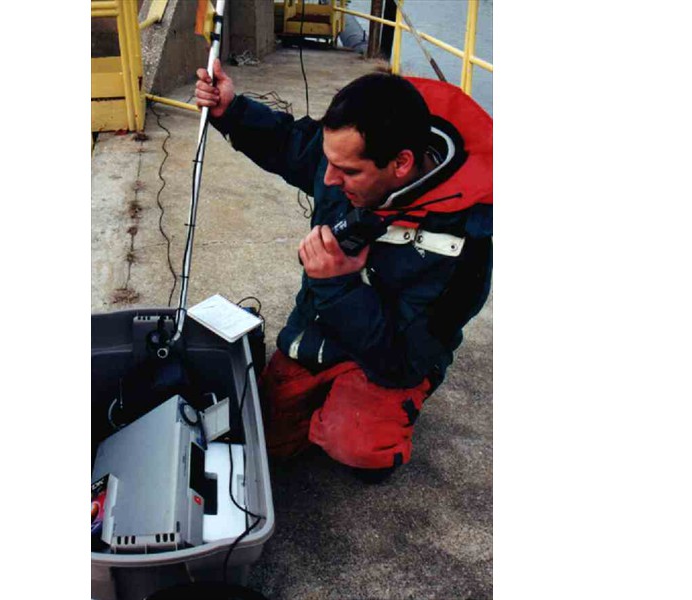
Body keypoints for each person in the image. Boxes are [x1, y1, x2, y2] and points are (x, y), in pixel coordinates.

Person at [195, 59, 492, 482]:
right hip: (322, 334)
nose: (329, 179)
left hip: (394, 355)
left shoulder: (467, 244)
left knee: (359, 445)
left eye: (348, 171)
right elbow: (290, 144)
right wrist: (232, 111)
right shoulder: (347, 157)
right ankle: (323, 395)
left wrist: (335, 283)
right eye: (328, 162)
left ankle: (388, 411)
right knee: (257, 432)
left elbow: (404, 358)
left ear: (402, 164)